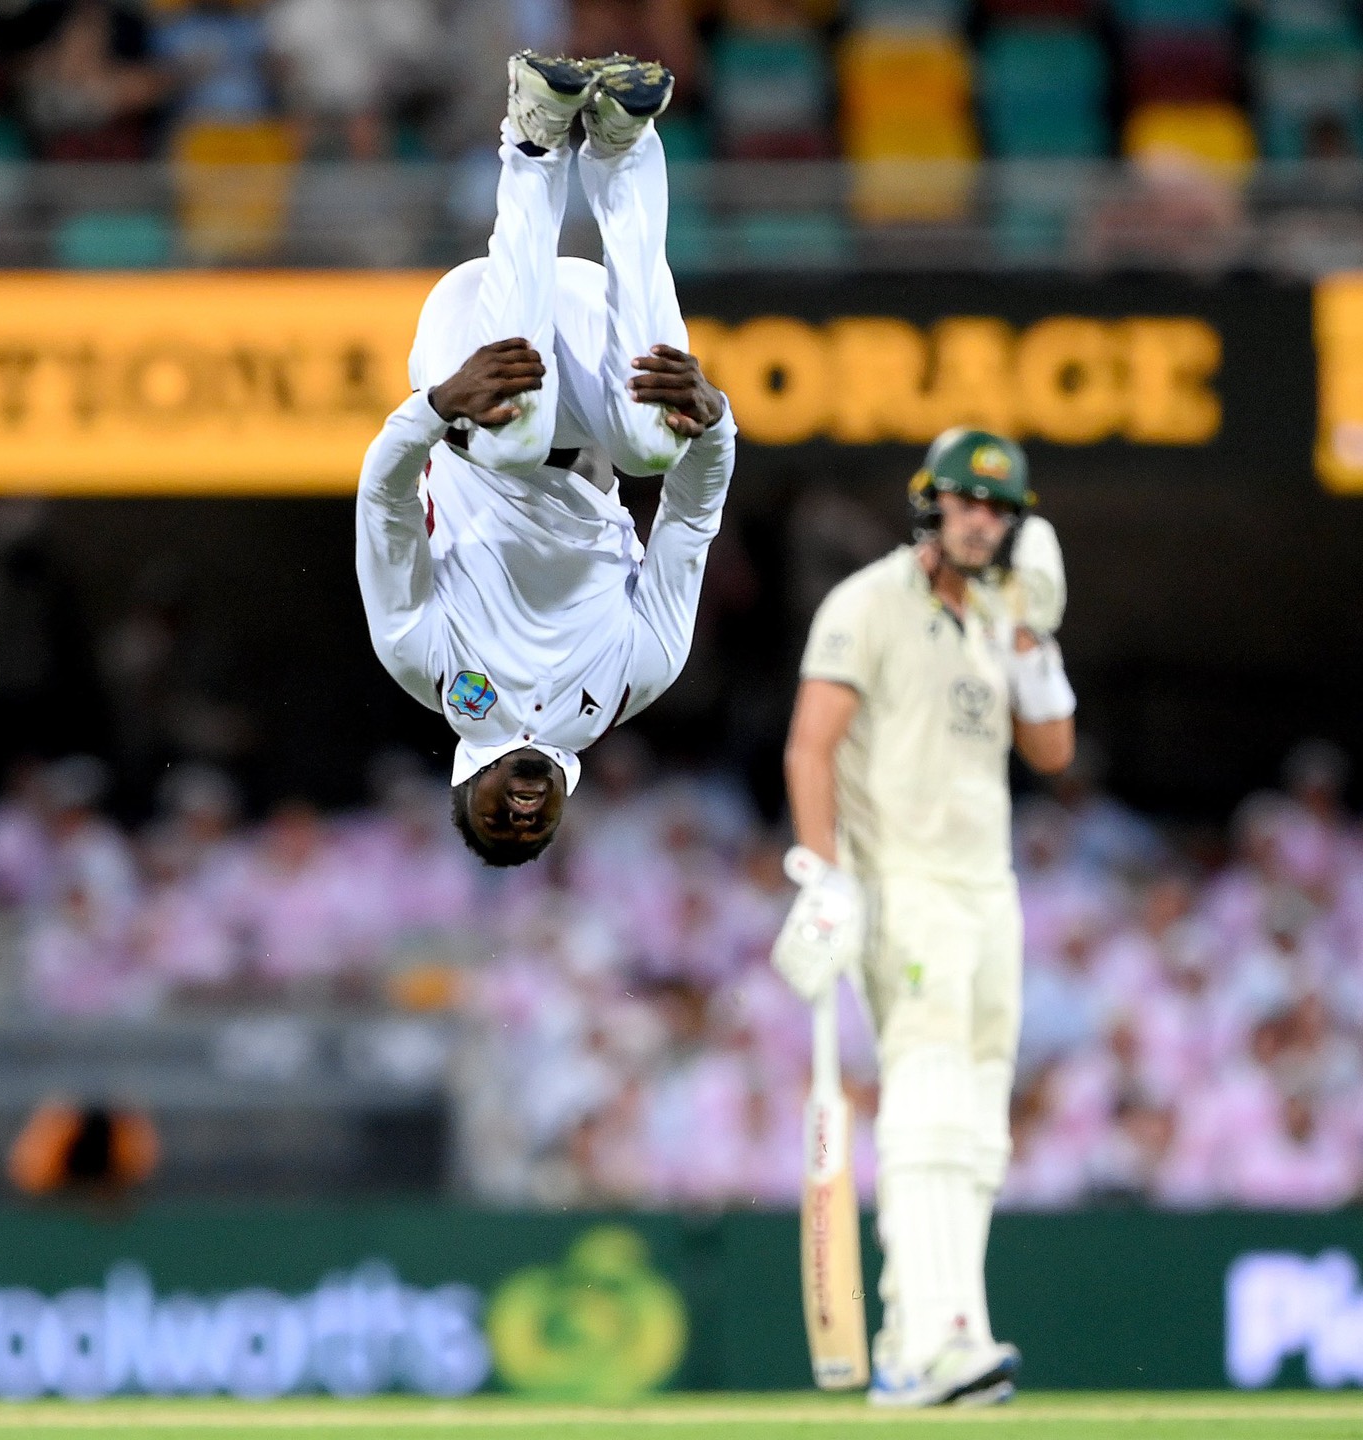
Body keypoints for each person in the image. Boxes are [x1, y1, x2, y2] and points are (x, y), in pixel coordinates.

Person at [357, 51, 735, 867]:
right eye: (537, 829)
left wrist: (434, 405)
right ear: (565, 807)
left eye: (499, 823)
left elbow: (382, 504)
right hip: (590, 361)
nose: (523, 816)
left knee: (516, 435)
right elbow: (689, 521)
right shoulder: (637, 680)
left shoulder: (426, 666)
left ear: (464, 788)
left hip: (475, 352)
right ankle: (622, 147)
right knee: (653, 442)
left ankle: (532, 142)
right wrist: (716, 424)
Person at [772, 429, 1077, 1407]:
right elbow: (809, 748)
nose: (982, 519)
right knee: (932, 1086)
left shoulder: (1000, 618)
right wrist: (822, 875)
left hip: (988, 886)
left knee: (981, 1116)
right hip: (901, 882)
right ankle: (934, 1338)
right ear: (930, 505)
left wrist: (1033, 640)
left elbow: (1055, 752)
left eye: (998, 508)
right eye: (965, 501)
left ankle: (935, 1335)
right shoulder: (866, 602)